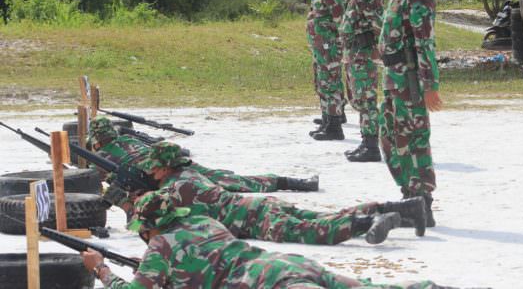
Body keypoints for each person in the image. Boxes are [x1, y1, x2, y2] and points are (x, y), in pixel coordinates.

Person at [81, 189, 452, 288]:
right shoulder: (206, 224)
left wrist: (102, 270)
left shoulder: (161, 246)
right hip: (280, 265)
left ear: (148, 228)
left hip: (263, 284)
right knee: (366, 286)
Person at [138, 141, 427, 245]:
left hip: (253, 220)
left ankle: (368, 223)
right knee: (323, 216)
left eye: (154, 169)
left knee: (317, 231)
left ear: (165, 168)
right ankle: (403, 208)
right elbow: (237, 180)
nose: (152, 173)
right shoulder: (192, 174)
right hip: (257, 205)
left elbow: (155, 221)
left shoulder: (174, 190)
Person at [87, 116, 318, 213]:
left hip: (157, 175)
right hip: (171, 163)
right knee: (227, 179)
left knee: (213, 193)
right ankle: (290, 181)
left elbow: (98, 186)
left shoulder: (100, 160)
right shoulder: (127, 138)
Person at [375, 0, 442, 227]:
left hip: (410, 80)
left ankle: (422, 203)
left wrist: (430, 85)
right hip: (394, 78)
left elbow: (424, 41)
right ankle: (410, 197)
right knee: (390, 137)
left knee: (413, 140)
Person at [339, 0, 384, 162]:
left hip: (364, 52)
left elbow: (378, 23)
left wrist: (379, 49)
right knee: (359, 98)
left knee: (366, 99)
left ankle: (372, 146)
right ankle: (366, 141)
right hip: (355, 52)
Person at [306, 0, 347, 140]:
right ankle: (327, 120)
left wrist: (342, 46)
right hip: (320, 46)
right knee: (322, 82)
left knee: (330, 84)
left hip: (330, 46)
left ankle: (334, 126)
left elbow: (341, 21)